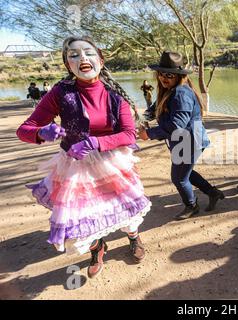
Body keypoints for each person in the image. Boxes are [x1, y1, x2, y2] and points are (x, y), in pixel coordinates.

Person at [16, 36, 151, 279]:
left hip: (113, 162)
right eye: (74, 55)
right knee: (82, 218)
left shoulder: (114, 96)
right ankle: (96, 248)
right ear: (68, 65)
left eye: (88, 53)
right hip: (75, 167)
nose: (82, 59)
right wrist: (40, 132)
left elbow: (129, 134)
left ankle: (133, 237)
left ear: (100, 59)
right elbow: (24, 130)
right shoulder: (60, 93)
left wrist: (97, 142)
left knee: (127, 205)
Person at [137, 51, 224, 220]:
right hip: (184, 141)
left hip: (189, 141)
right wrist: (139, 118)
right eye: (161, 74)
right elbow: (154, 111)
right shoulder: (168, 90)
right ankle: (213, 193)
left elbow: (177, 125)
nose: (164, 78)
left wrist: (149, 133)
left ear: (178, 76)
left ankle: (191, 205)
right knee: (186, 173)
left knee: (178, 178)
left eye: (169, 74)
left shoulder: (181, 94)